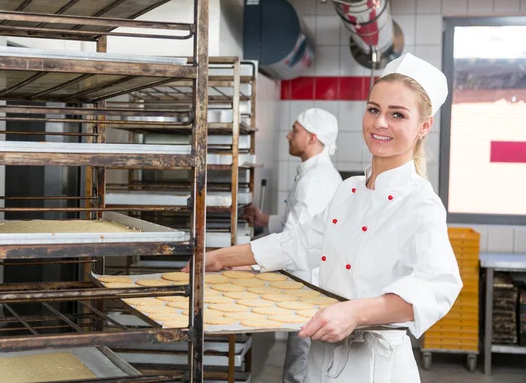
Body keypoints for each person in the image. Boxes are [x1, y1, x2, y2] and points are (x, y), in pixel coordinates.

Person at [186, 53, 463, 382]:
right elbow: (299, 241)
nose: (380, 123)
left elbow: (438, 286)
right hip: (323, 357)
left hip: (374, 366)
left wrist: (355, 312)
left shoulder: (420, 203)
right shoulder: (348, 191)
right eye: (373, 109)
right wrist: (217, 258)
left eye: (397, 114)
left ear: (424, 126)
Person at [245, 107, 342, 383]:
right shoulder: (314, 174)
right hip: (305, 286)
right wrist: (265, 219)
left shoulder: (316, 180)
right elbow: (301, 224)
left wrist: (245, 262)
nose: (288, 135)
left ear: (312, 137)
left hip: (308, 290)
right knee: (300, 364)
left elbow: (296, 243)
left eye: (295, 130)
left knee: (299, 369)